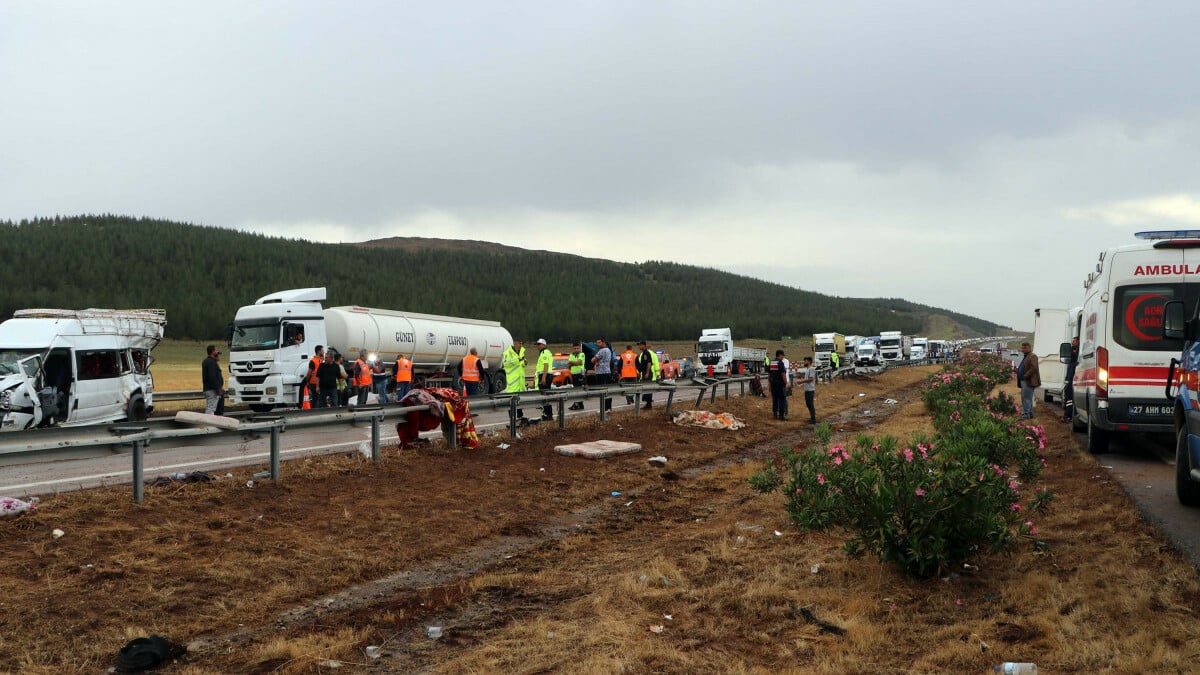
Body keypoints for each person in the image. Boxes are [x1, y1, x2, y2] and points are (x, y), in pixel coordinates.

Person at [1018, 341, 1040, 420]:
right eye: (1022, 348)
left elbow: (1034, 367)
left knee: (1026, 398)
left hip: (1028, 381)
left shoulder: (1032, 356)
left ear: (1029, 348)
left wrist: (1026, 375)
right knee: (1027, 398)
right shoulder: (1026, 356)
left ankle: (1026, 415)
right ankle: (1029, 414)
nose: (1023, 349)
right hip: (1024, 381)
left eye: (1025, 348)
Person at [768, 349, 791, 420]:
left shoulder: (771, 362)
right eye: (783, 356)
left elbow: (769, 374)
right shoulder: (780, 363)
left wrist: (769, 384)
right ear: (780, 355)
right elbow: (783, 374)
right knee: (782, 400)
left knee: (775, 400)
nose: (783, 357)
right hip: (780, 385)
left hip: (773, 384)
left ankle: (775, 414)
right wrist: (786, 383)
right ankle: (781, 415)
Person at [636, 340, 660, 409]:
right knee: (646, 389)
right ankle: (648, 404)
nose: (639, 346)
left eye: (640, 345)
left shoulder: (646, 353)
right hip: (644, 373)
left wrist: (647, 373)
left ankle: (649, 404)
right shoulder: (643, 353)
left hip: (647, 373)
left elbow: (649, 363)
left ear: (644, 345)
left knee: (648, 389)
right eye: (639, 345)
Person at [535, 339, 554, 421]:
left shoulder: (544, 352)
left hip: (545, 375)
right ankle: (547, 414)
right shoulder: (545, 352)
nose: (537, 346)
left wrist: (543, 378)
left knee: (545, 396)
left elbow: (546, 365)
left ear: (544, 345)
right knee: (545, 395)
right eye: (537, 344)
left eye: (539, 344)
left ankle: (548, 415)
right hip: (545, 375)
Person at [592, 338, 613, 411]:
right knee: (607, 390)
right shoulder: (609, 350)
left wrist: (596, 361)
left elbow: (592, 360)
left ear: (604, 342)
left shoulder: (602, 350)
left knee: (602, 391)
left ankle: (604, 408)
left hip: (601, 373)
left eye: (599, 342)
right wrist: (597, 361)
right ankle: (608, 407)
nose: (598, 344)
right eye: (597, 343)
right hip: (607, 372)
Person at [202, 345, 224, 415]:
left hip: (209, 388)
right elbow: (212, 377)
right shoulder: (211, 363)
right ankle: (207, 421)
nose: (218, 352)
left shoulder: (207, 361)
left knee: (212, 408)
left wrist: (219, 387)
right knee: (211, 409)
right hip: (212, 390)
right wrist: (217, 389)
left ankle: (210, 420)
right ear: (213, 352)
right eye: (216, 350)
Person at [1062, 336, 1079, 423]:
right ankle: (1067, 415)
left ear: (1079, 342)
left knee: (1071, 397)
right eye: (1072, 341)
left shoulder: (1078, 352)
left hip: (1074, 378)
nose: (1073, 342)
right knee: (1068, 397)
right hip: (1069, 378)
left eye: (1075, 341)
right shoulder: (1071, 351)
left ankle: (1069, 415)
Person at [798, 356, 817, 424]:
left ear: (809, 361)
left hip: (810, 390)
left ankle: (813, 419)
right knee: (808, 404)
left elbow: (811, 379)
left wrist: (801, 381)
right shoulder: (808, 369)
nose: (804, 362)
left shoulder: (811, 369)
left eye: (805, 361)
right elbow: (808, 379)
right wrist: (802, 383)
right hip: (807, 390)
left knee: (810, 404)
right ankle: (812, 418)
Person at [568, 342, 586, 410]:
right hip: (573, 374)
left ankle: (577, 404)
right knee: (575, 389)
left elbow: (579, 362)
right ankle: (580, 404)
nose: (576, 350)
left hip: (580, 374)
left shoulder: (582, 354)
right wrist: (575, 363)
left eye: (577, 348)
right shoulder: (571, 355)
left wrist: (572, 363)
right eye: (575, 348)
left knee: (579, 389)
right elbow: (569, 364)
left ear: (580, 348)